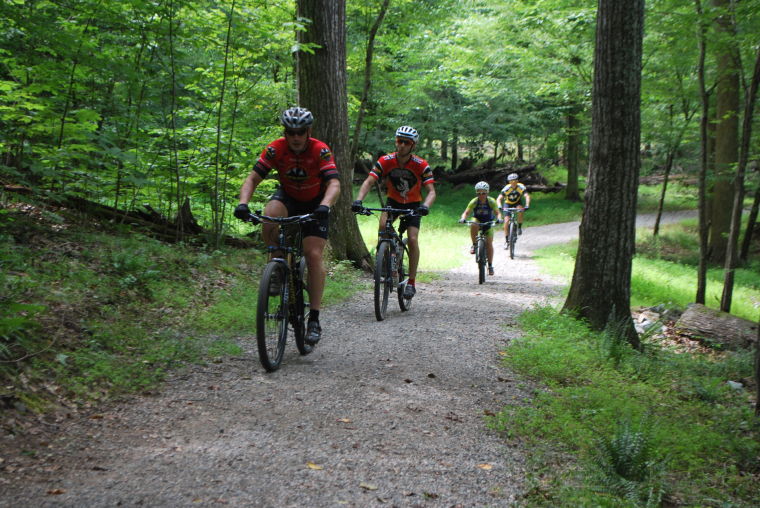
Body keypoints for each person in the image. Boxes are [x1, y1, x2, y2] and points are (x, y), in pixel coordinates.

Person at [233, 107, 340, 345]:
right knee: (269, 216)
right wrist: (243, 203)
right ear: (285, 131)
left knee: (312, 255)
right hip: (289, 196)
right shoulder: (275, 149)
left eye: (300, 132)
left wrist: (325, 205)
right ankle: (277, 264)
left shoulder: (320, 150)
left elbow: (334, 183)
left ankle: (313, 318)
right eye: (291, 132)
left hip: (316, 202)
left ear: (308, 131)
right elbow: (252, 178)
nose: (295, 137)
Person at [351, 125, 436, 299]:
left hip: (413, 205)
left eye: (406, 142)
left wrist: (425, 206)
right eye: (399, 141)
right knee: (383, 228)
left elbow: (432, 191)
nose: (402, 145)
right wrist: (359, 200)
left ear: (413, 145)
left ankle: (411, 282)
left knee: (412, 239)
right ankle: (388, 261)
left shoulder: (421, 165)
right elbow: (369, 181)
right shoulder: (385, 161)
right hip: (393, 202)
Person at [459, 181, 502, 276]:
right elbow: (466, 212)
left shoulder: (491, 201)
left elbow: (497, 213)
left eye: (483, 193)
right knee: (473, 223)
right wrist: (463, 218)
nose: (481, 195)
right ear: (476, 193)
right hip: (478, 221)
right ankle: (474, 245)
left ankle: (490, 266)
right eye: (479, 193)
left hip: (488, 222)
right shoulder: (474, 201)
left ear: (487, 193)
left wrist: (499, 219)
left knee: (489, 244)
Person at [496, 172, 530, 248]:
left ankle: (519, 227)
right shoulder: (506, 189)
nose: (513, 182)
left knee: (520, 210)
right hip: (507, 203)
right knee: (506, 221)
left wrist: (527, 205)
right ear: (509, 182)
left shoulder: (521, 187)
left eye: (515, 180)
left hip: (517, 202)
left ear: (517, 181)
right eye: (511, 181)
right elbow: (498, 199)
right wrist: (500, 206)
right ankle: (506, 240)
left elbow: (526, 196)